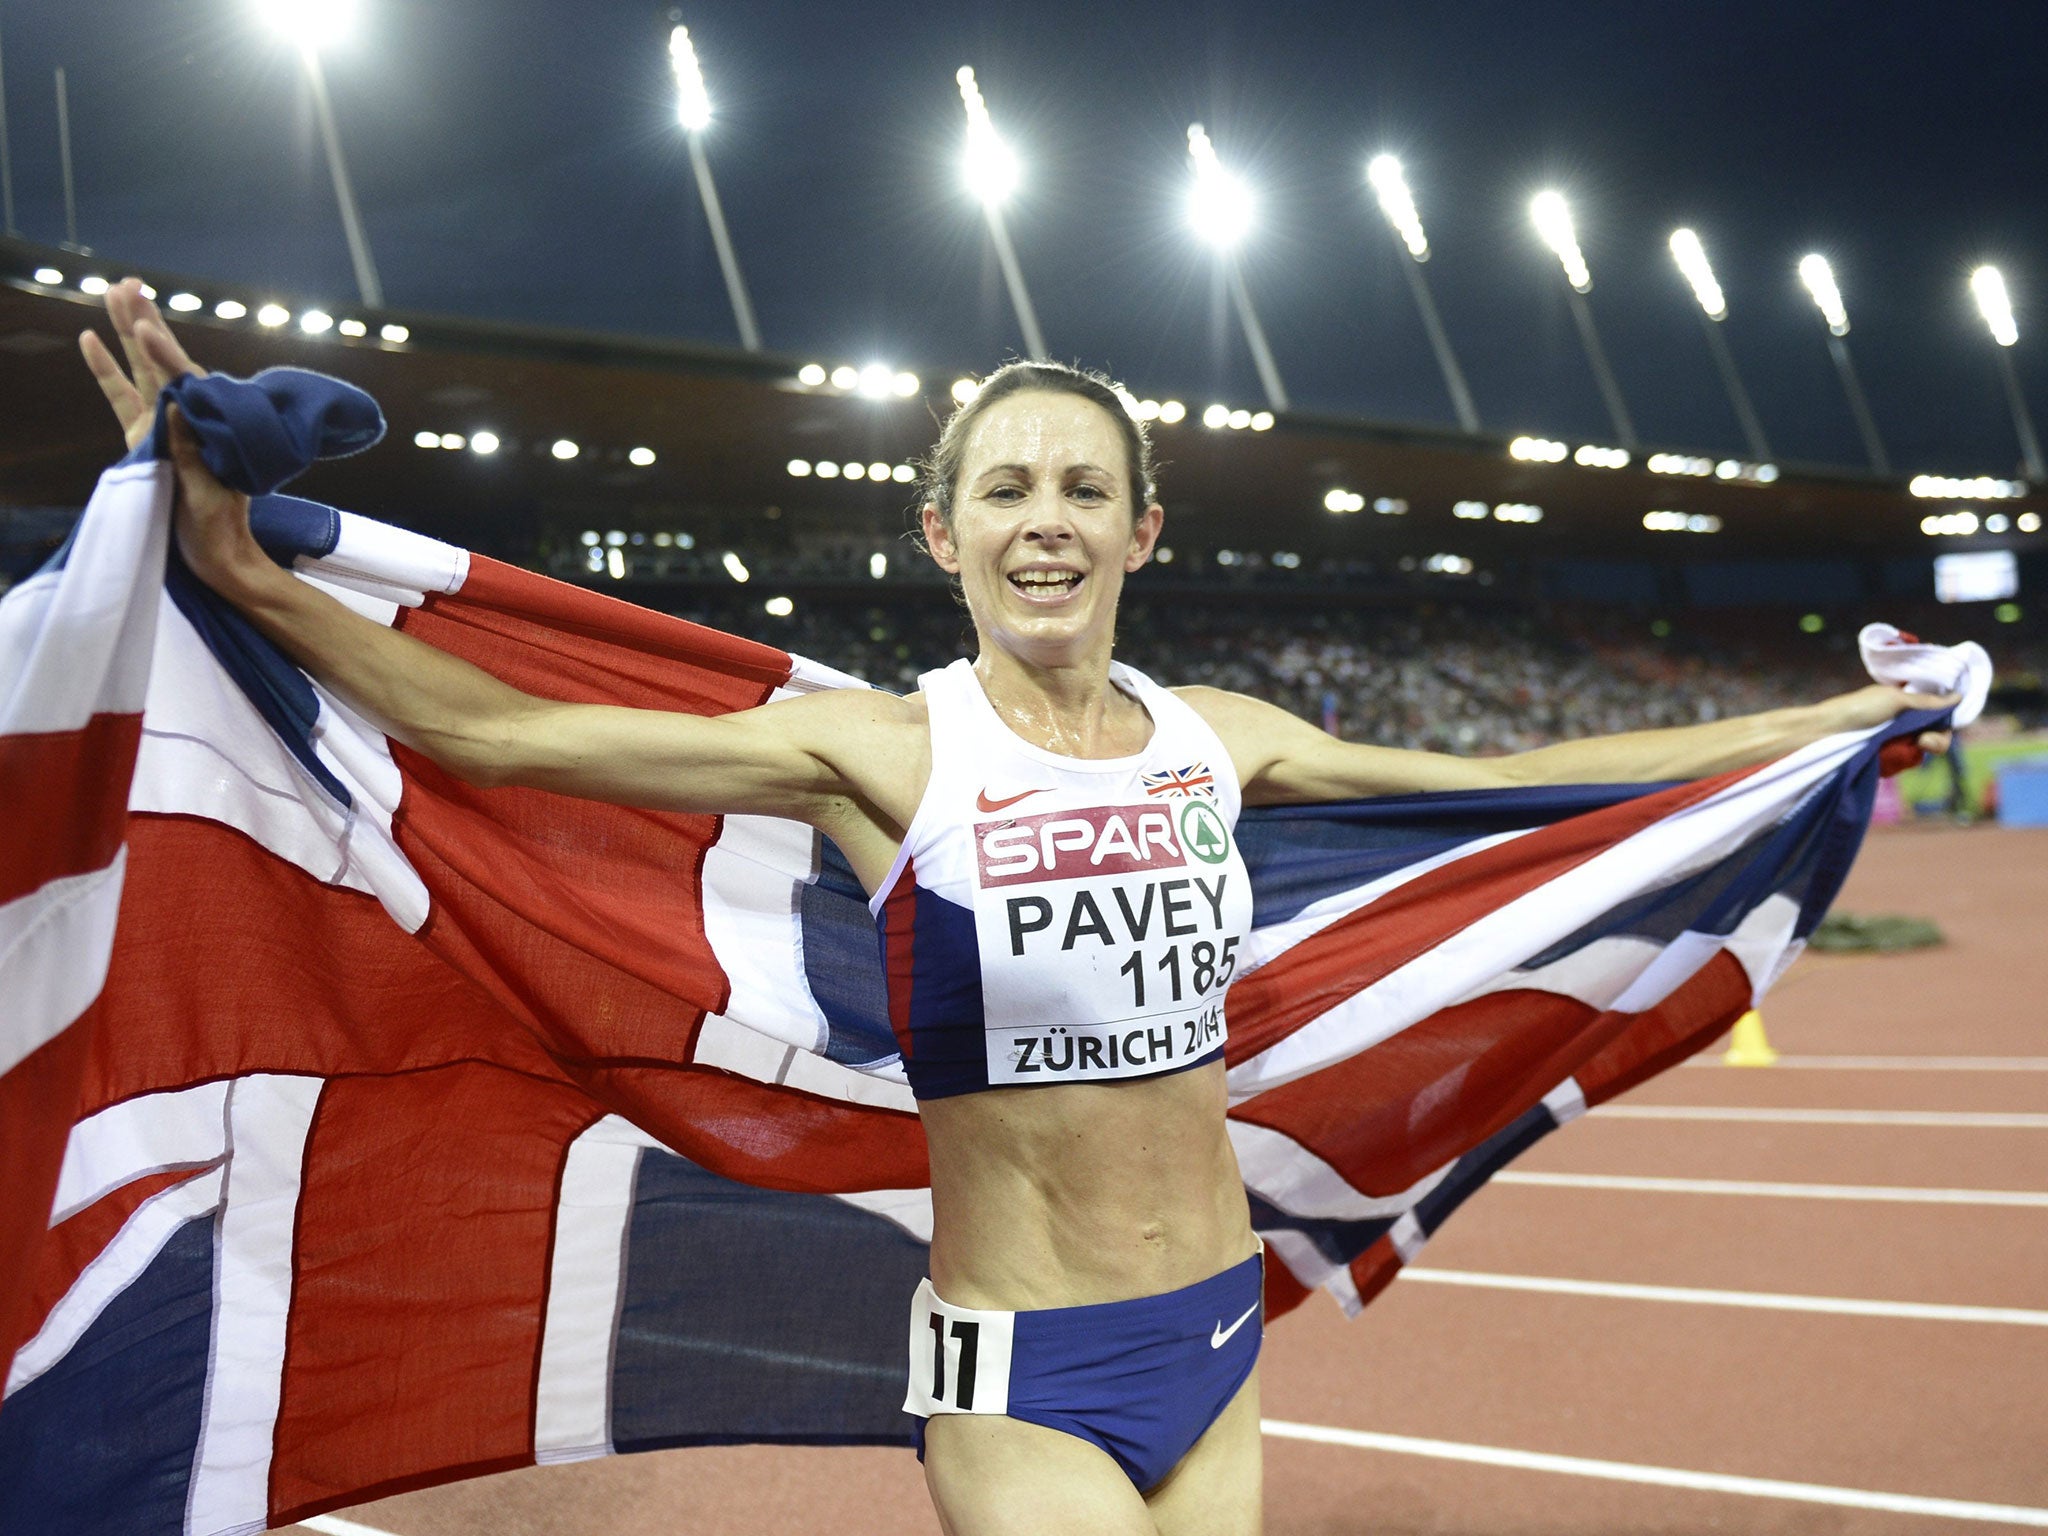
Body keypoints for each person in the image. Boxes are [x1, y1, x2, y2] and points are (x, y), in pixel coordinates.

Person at [79, 279, 1953, 1536]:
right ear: (943, 535)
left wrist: (1849, 718)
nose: (1043, 517)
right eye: (1004, 490)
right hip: (1017, 1365)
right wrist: (244, 569)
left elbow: (1560, 793)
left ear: (1143, 532)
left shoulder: (1228, 738)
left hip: (1219, 1334)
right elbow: (486, 724)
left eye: (1082, 488)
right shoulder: (881, 753)